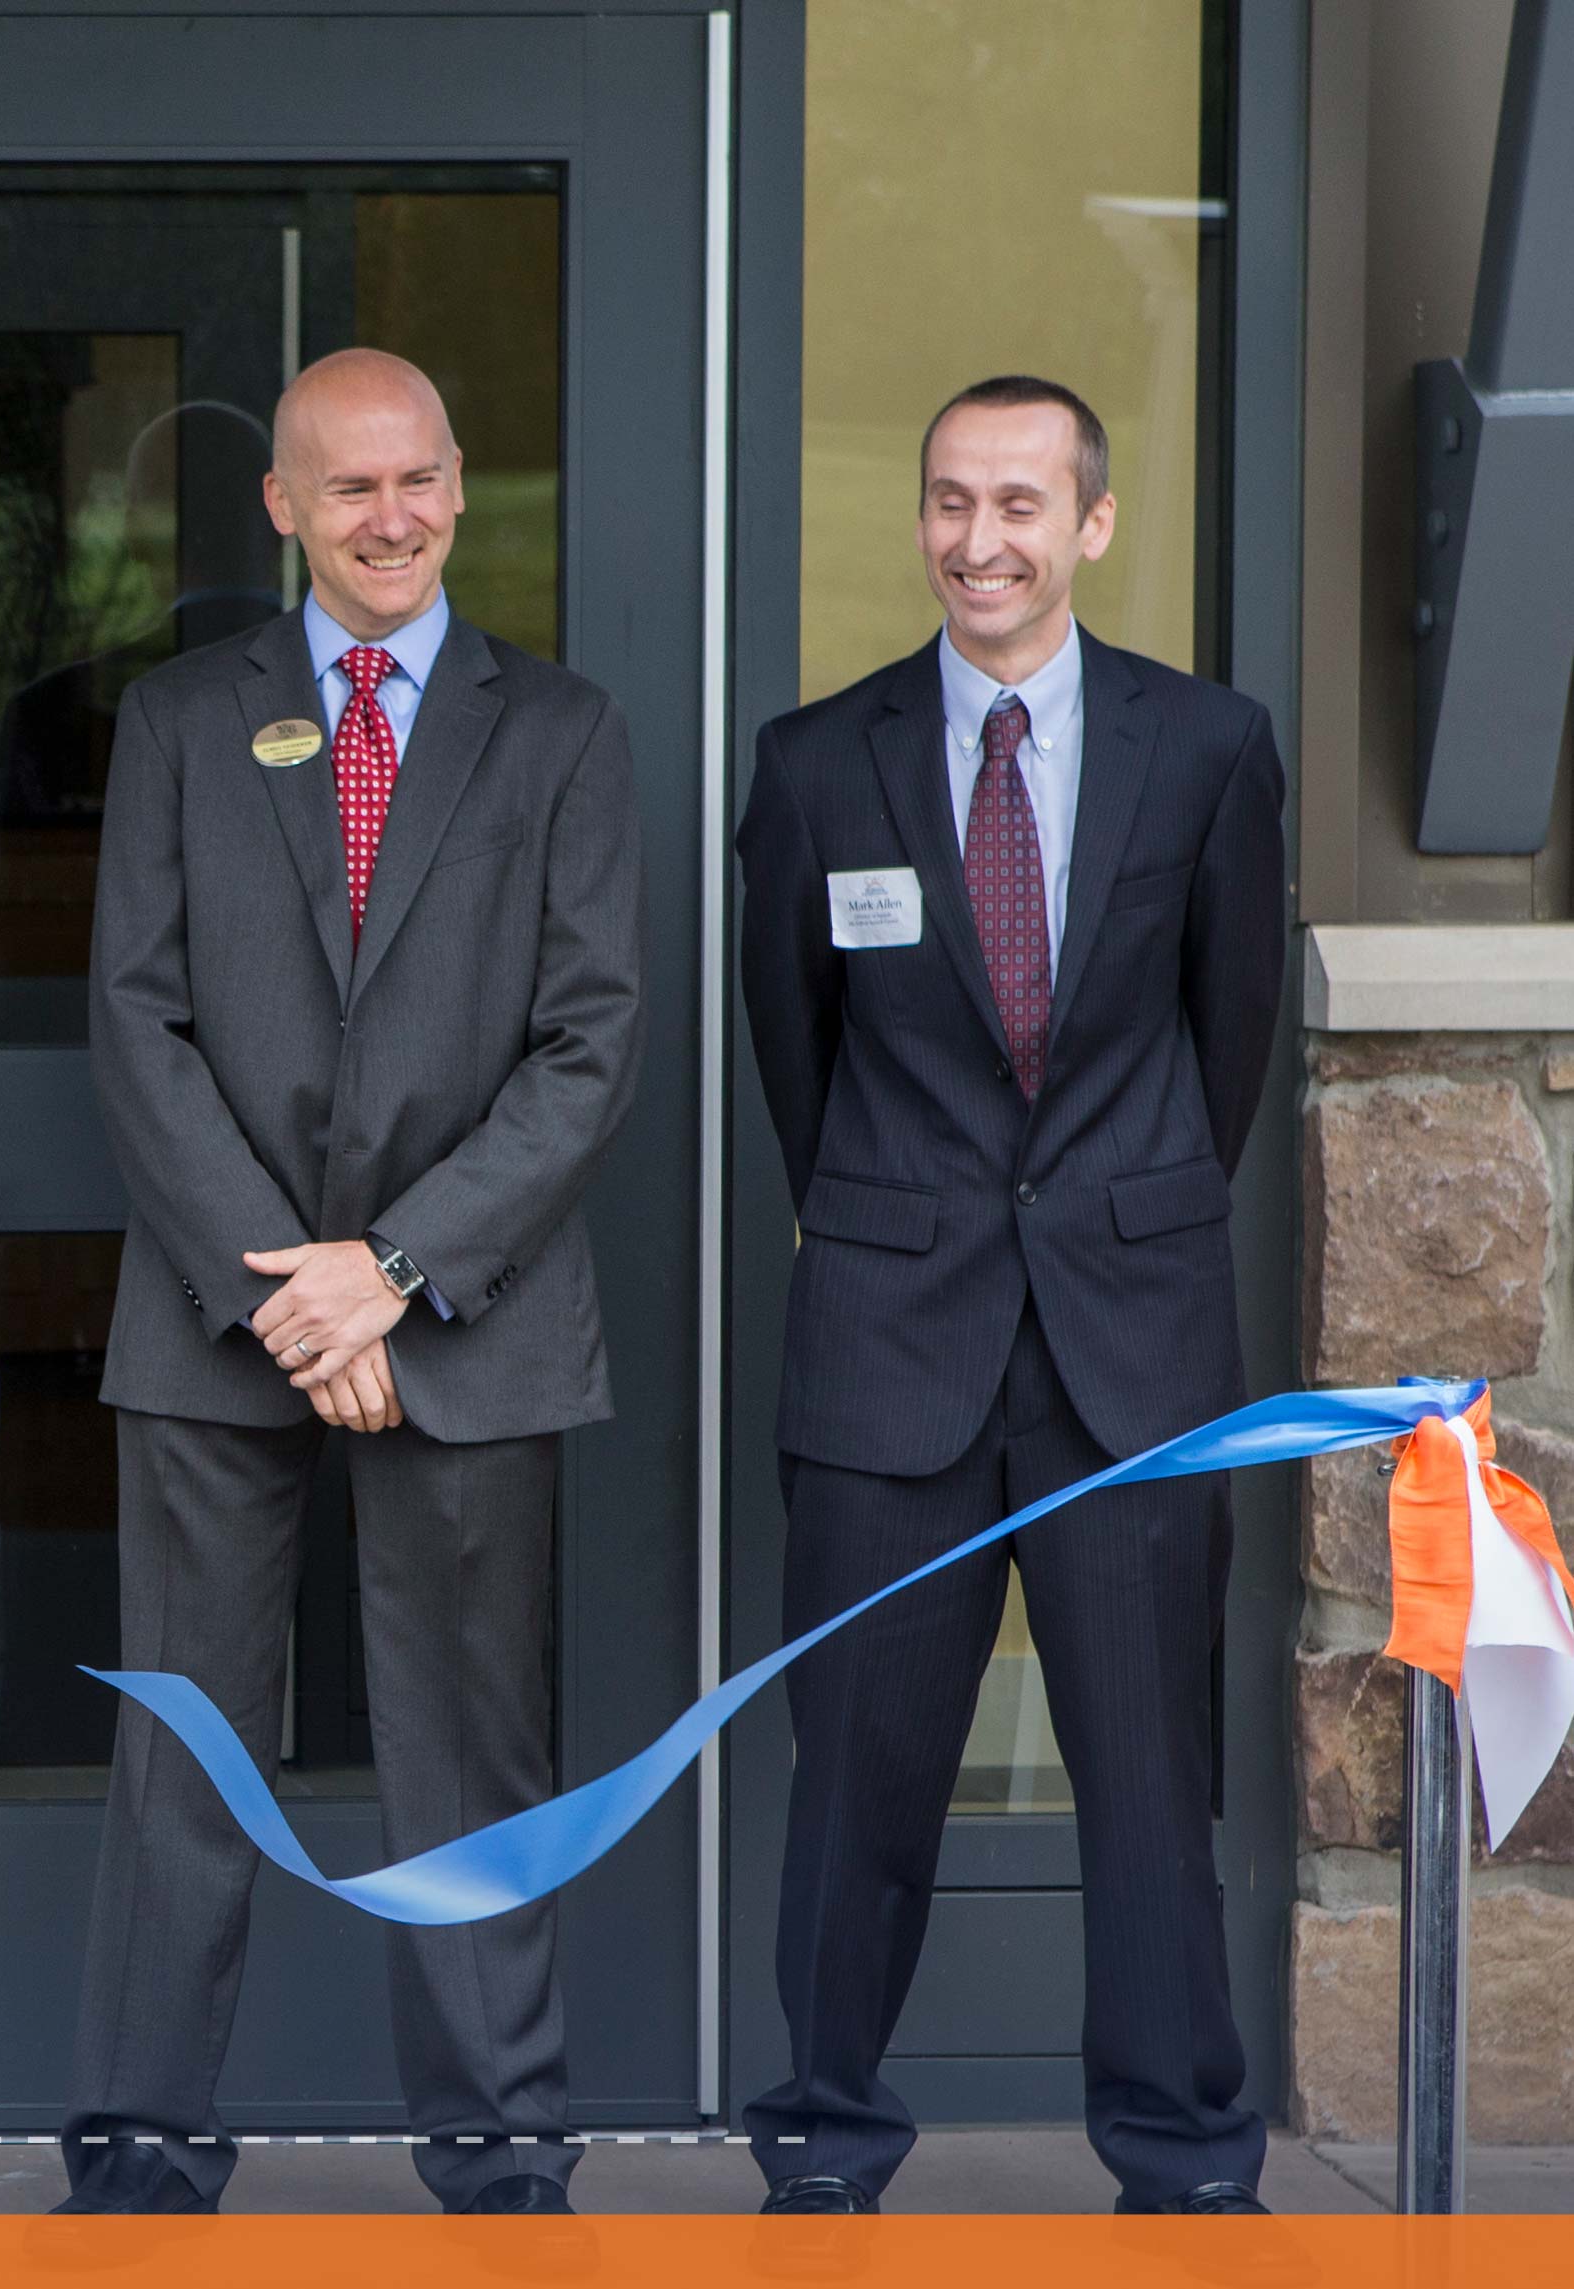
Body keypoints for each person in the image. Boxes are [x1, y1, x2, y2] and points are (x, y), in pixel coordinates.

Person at [61, 348, 643, 2218]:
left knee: (470, 1757)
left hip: (468, 1323)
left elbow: (589, 1049)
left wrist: (389, 1272)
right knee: (185, 1755)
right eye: (347, 485)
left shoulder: (558, 729)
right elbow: (135, 1023)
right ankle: (142, 2151)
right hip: (218, 1319)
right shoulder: (176, 716)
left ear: (460, 484)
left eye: (418, 479)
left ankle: (501, 2155)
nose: (388, 516)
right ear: (280, 507)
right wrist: (291, 1300)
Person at [735, 376, 1285, 2216]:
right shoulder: (818, 762)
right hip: (891, 1348)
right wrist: (911, 1226)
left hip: (1130, 1348)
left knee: (1148, 1794)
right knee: (855, 1795)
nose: (983, 540)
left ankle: (1183, 2154)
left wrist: (1103, 1219)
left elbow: (1225, 1053)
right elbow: (791, 1071)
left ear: (1091, 525)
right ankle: (821, 2135)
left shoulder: (1206, 747)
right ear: (920, 521)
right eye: (952, 502)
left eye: (1021, 505)